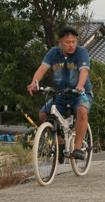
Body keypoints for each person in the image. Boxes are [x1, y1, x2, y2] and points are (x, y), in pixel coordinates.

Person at [27, 26, 93, 160]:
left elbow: (84, 71)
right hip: (62, 95)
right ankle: (60, 142)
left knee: (82, 111)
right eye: (68, 42)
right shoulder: (53, 53)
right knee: (43, 114)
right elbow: (42, 68)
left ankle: (77, 148)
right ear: (60, 43)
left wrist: (80, 85)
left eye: (74, 41)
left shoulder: (81, 52)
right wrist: (34, 83)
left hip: (80, 94)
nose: (71, 45)